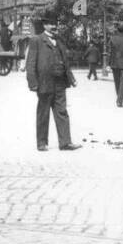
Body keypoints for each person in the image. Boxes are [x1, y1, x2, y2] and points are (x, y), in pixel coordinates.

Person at [24, 16, 80, 152]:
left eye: (55, 24)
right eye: (50, 24)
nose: (54, 26)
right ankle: (42, 143)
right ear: (45, 26)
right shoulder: (36, 40)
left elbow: (65, 61)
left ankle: (65, 143)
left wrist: (71, 79)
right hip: (44, 83)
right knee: (43, 113)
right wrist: (33, 82)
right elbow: (30, 63)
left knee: (62, 111)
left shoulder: (59, 40)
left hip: (60, 82)